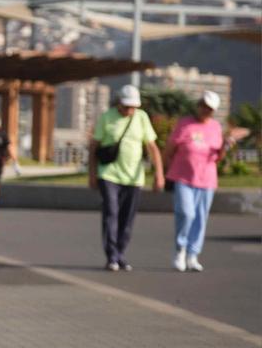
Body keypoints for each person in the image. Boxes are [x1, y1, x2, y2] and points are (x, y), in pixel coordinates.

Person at [88, 84, 164, 272]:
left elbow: (152, 147)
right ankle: (111, 256)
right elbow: (94, 147)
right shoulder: (107, 117)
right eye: (127, 106)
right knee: (111, 213)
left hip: (134, 177)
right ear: (119, 103)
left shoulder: (142, 118)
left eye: (133, 107)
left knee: (127, 218)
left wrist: (159, 174)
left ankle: (120, 253)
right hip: (109, 174)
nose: (130, 110)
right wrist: (92, 174)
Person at [164, 91, 234, 272]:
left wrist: (225, 146)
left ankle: (193, 254)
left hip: (207, 179)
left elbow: (218, 156)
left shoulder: (215, 127)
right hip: (183, 177)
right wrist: (166, 170)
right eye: (203, 106)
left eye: (209, 109)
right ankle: (180, 250)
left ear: (213, 111)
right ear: (198, 105)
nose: (204, 110)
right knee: (186, 214)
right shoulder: (184, 123)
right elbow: (170, 149)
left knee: (200, 218)